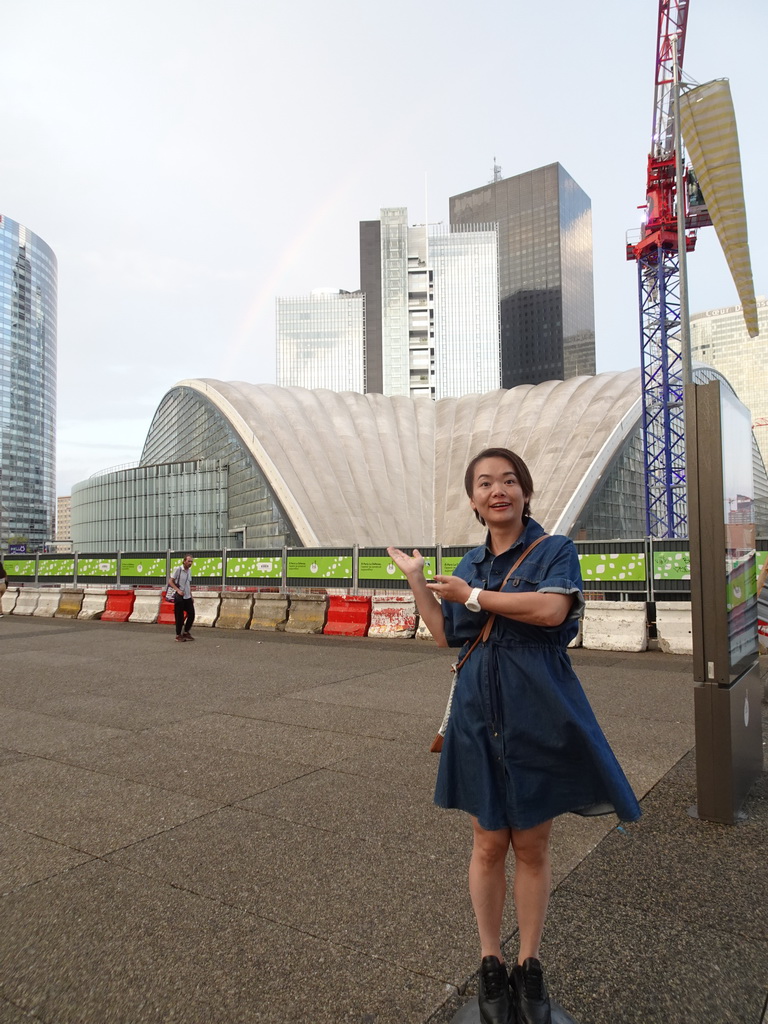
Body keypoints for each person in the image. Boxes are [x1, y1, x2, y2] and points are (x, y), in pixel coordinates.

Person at [388, 448, 640, 1024]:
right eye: (484, 483)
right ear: (474, 500)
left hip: (537, 708)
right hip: (479, 710)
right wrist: (418, 582)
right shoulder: (470, 562)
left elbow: (552, 611)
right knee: (486, 843)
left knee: (532, 844)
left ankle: (529, 963)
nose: (497, 490)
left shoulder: (555, 550)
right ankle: (490, 961)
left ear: (525, 492)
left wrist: (474, 597)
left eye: (508, 480)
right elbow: (444, 637)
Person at [168, 554, 195, 642]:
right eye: (188, 561)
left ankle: (186, 632)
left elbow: (188, 584)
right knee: (179, 616)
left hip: (187, 596)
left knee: (191, 614)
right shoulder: (178, 569)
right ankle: (178, 635)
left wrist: (191, 595)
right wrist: (178, 590)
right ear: (184, 561)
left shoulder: (189, 571)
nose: (190, 563)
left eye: (191, 561)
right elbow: (170, 581)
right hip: (179, 596)